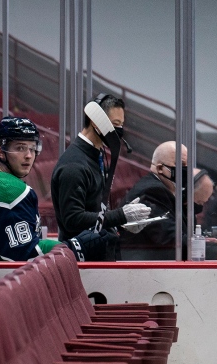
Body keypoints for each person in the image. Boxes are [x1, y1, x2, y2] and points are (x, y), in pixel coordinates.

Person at [0, 117, 111, 261]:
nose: (28, 156)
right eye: (20, 148)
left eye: (32, 149)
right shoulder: (6, 189)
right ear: (1, 152)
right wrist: (74, 246)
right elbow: (25, 254)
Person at [50, 94, 152, 256]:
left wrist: (121, 222)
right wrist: (120, 215)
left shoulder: (96, 155)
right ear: (95, 122)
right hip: (83, 260)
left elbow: (95, 209)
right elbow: (73, 219)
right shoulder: (74, 165)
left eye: (121, 124)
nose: (119, 130)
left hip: (100, 253)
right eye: (115, 124)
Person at [119, 146, 217, 260]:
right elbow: (172, 240)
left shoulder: (164, 190)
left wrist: (208, 243)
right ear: (160, 168)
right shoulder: (152, 191)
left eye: (187, 165)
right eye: (181, 164)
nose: (186, 170)